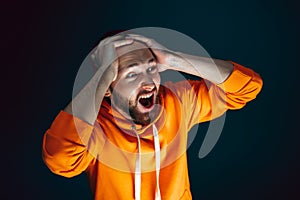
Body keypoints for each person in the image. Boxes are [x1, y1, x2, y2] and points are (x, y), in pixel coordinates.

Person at [42, 31, 263, 200]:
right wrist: (103, 73)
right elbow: (60, 160)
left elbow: (246, 87)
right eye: (131, 74)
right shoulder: (95, 126)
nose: (147, 82)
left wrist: (172, 59)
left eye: (150, 69)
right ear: (107, 87)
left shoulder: (177, 101)